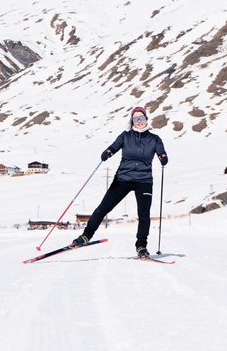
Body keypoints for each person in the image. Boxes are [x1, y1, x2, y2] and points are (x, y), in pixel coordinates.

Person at [71, 106, 167, 258]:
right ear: (132, 121)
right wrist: (108, 152)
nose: (139, 121)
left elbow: (161, 151)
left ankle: (141, 246)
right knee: (103, 208)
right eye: (136, 119)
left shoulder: (154, 139)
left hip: (144, 181)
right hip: (123, 179)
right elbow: (114, 147)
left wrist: (162, 157)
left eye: (141, 117)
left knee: (144, 215)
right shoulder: (125, 136)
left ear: (146, 119)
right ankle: (85, 236)